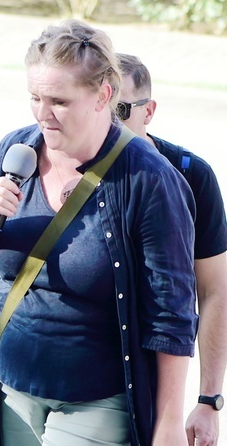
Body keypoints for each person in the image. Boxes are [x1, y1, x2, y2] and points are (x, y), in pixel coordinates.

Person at [0, 20, 198, 446]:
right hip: (6, 389)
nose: (43, 114)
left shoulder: (149, 180)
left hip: (96, 401)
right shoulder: (15, 151)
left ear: (103, 96)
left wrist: (168, 424)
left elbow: (172, 314)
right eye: (34, 98)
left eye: (59, 101)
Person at [117, 52, 227, 446]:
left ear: (149, 112)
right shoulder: (61, 166)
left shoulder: (191, 175)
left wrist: (209, 401)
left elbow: (215, 292)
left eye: (121, 109)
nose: (108, 122)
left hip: (151, 385)